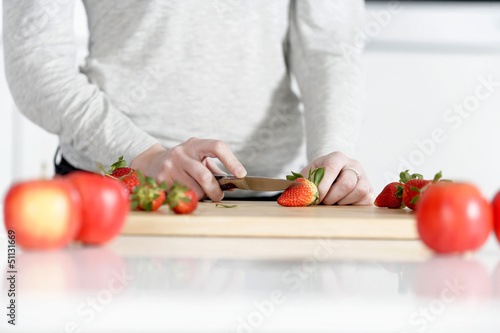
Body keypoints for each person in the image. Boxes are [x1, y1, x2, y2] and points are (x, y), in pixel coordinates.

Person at [4, 0, 374, 205]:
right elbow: (34, 59)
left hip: (276, 196)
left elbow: (329, 48)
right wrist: (145, 155)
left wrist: (334, 150)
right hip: (116, 194)